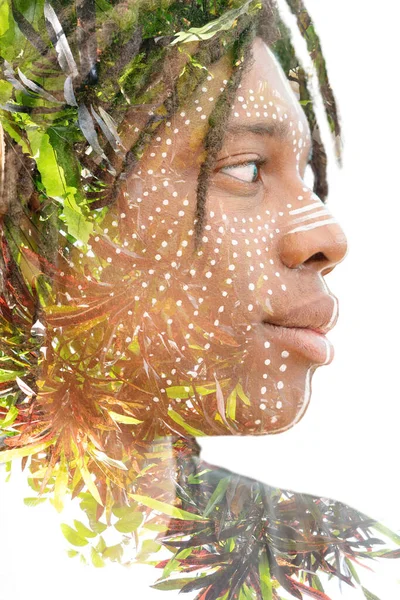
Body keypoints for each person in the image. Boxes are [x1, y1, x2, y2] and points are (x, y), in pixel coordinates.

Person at [0, 1, 398, 598]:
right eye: (244, 169)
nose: (328, 239)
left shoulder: (336, 569)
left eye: (306, 173)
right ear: (41, 213)